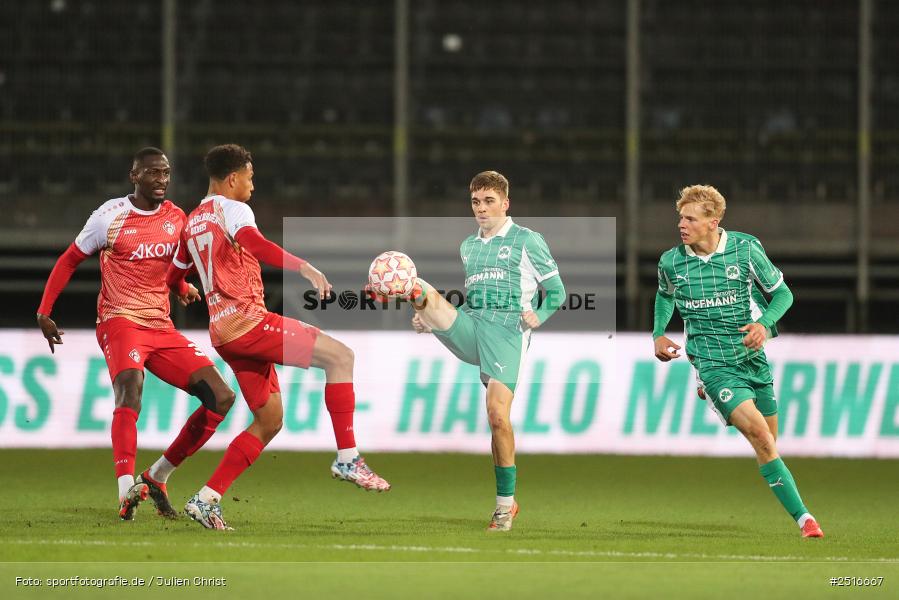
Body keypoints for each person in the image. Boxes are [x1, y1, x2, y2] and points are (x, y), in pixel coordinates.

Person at [164, 144, 390, 530]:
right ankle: (348, 457)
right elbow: (255, 243)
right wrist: (304, 267)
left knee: (269, 420)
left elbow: (174, 275)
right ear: (232, 178)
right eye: (249, 177)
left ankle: (207, 499)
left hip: (222, 331)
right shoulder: (233, 209)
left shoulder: (192, 221)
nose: (253, 184)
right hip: (248, 321)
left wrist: (184, 288)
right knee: (341, 357)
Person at [36, 147, 236, 521]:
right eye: (152, 173)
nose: (161, 180)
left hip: (160, 327)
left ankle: (158, 475)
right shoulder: (108, 217)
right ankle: (125, 487)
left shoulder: (176, 217)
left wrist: (181, 289)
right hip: (119, 320)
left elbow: (172, 266)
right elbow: (69, 260)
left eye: (165, 173)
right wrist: (44, 311)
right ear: (134, 176)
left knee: (221, 398)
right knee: (130, 388)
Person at [373, 170, 566, 531]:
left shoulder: (527, 241)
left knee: (496, 417)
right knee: (418, 288)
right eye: (476, 202)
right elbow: (472, 302)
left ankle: (505, 506)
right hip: (471, 325)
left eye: (489, 201)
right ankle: (418, 307)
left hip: (507, 334)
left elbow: (557, 291)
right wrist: (427, 318)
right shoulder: (469, 246)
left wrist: (538, 314)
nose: (481, 208)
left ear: (505, 204)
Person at [652, 184, 824, 538]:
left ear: (713, 222)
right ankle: (805, 519)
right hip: (713, 362)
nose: (681, 225)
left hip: (751, 359)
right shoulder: (671, 261)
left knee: (770, 443)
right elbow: (664, 295)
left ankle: (714, 392)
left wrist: (763, 323)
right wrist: (658, 332)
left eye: (690, 218)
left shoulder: (745, 249)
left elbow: (782, 294)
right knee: (761, 436)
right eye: (680, 217)